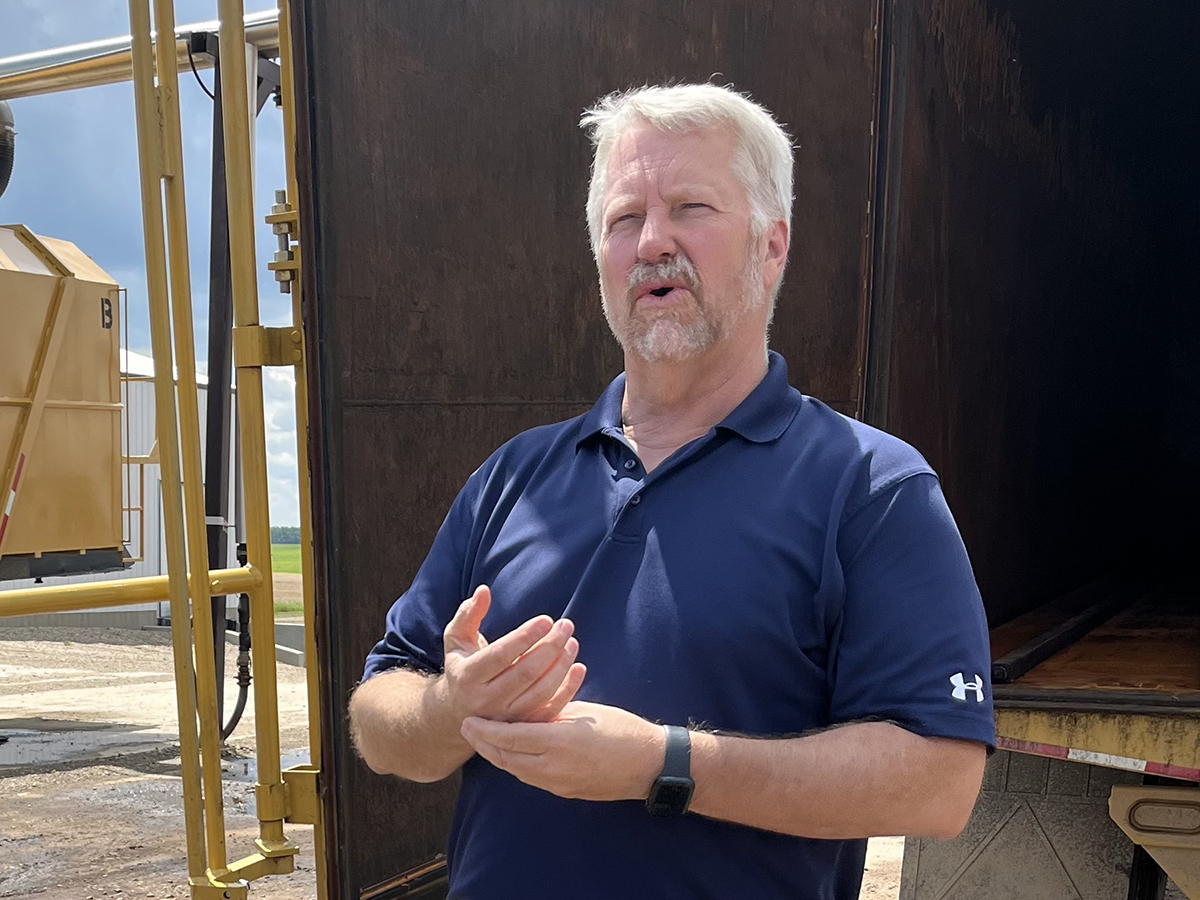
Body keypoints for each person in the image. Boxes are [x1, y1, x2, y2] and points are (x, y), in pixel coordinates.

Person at [349, 83, 994, 900]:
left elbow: (940, 784)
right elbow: (377, 718)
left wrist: (663, 765)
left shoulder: (870, 489)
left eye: (690, 207)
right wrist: (450, 707)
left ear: (772, 246)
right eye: (625, 219)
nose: (653, 241)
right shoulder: (513, 478)